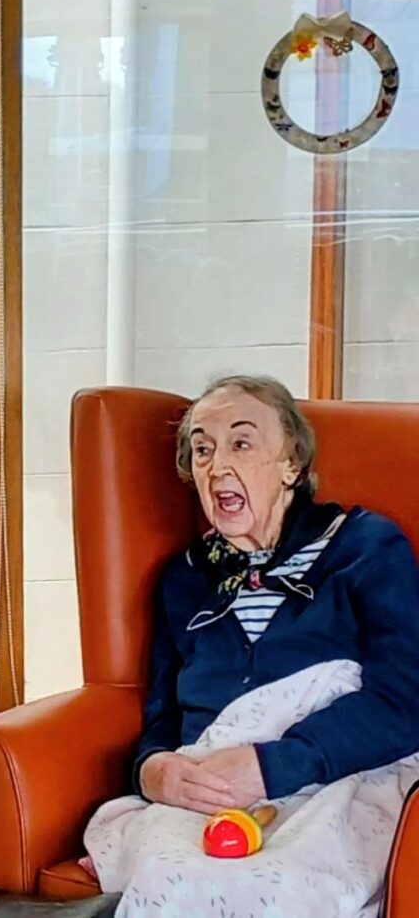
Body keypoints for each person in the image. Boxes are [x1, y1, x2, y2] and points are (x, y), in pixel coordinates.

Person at [84, 374, 419, 916]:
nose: (216, 466)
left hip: (339, 781)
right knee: (166, 880)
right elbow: (164, 717)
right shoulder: (184, 580)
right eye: (201, 451)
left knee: (282, 888)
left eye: (241, 442)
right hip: (207, 795)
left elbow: (406, 700)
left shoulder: (366, 548)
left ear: (292, 464)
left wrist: (275, 765)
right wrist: (154, 770)